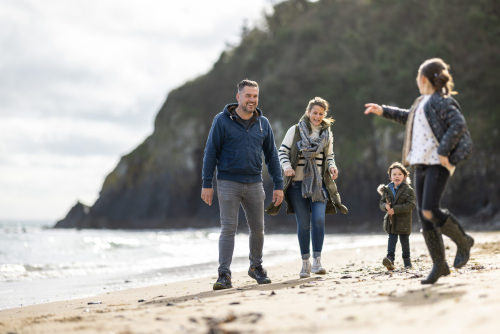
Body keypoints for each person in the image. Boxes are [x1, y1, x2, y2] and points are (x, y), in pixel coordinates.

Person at [364, 58, 474, 284]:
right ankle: (439, 264)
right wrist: (383, 110)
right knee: (425, 216)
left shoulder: (442, 101)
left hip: (437, 163)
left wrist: (444, 151)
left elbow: (459, 124)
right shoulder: (421, 102)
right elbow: (407, 117)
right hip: (420, 163)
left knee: (430, 209)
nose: (416, 80)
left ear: (423, 79)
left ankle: (463, 241)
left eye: (417, 77)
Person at [201, 79, 284, 290]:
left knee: (258, 229)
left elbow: (272, 156)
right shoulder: (221, 120)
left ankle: (256, 267)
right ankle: (224, 275)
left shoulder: (263, 123)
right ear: (238, 97)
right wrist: (206, 183)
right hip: (228, 182)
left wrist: (278, 185)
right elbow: (211, 152)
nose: (252, 100)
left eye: (255, 96)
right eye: (248, 96)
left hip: (255, 183)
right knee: (228, 228)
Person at [266, 97, 348, 278]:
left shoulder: (327, 134)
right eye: (314, 113)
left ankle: (317, 261)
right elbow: (282, 152)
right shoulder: (294, 130)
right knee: (303, 225)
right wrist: (286, 167)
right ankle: (305, 263)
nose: (317, 117)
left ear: (324, 115)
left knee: (318, 220)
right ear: (308, 112)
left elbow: (330, 156)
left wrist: (332, 166)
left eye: (321, 114)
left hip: (320, 185)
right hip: (297, 186)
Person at [377, 162, 416, 270]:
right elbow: (381, 203)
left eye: (399, 174)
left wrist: (395, 209)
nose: (397, 176)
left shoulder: (409, 190)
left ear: (404, 176)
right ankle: (390, 260)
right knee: (392, 240)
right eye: (394, 174)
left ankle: (407, 262)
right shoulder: (386, 190)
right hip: (391, 221)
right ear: (390, 177)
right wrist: (386, 206)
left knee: (404, 242)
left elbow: (411, 205)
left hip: (404, 221)